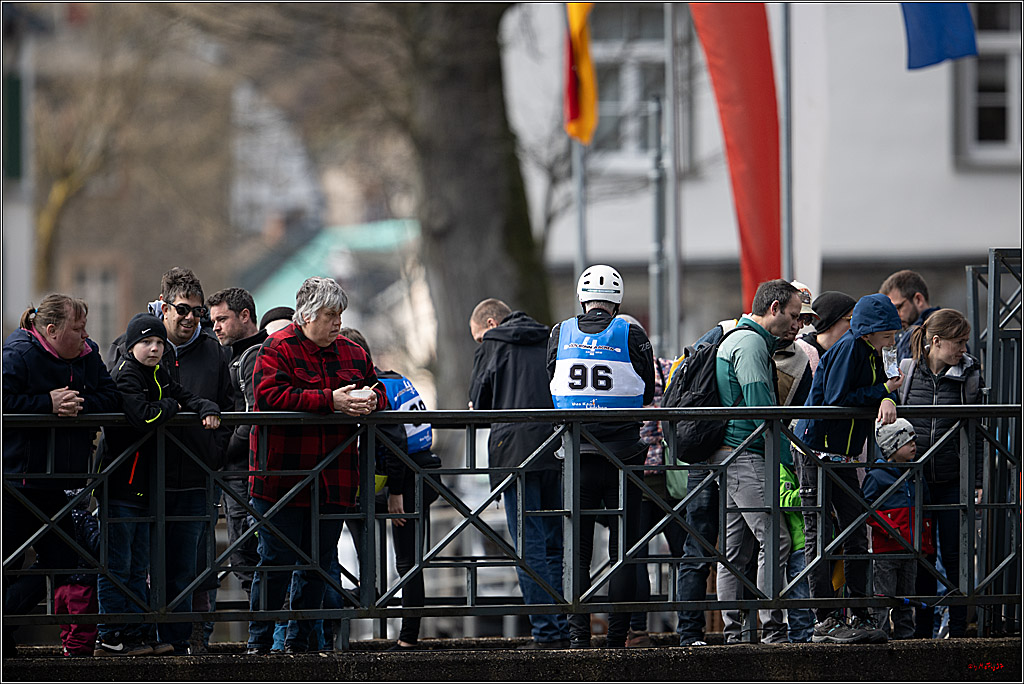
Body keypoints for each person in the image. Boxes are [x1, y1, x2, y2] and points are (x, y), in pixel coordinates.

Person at [246, 276, 388, 655]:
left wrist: (372, 399)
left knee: (319, 565)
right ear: (307, 316)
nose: (338, 323)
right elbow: (268, 397)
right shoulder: (276, 348)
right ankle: (259, 643)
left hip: (334, 479)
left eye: (340, 314)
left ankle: (300, 643)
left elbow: (377, 387)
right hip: (282, 478)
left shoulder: (353, 353)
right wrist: (330, 401)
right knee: (274, 563)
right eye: (330, 315)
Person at [106, 267, 233, 654]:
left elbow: (226, 405)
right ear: (164, 307)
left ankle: (175, 643)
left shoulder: (213, 351)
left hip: (194, 475)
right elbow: (121, 401)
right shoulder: (129, 345)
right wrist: (169, 409)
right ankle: (131, 635)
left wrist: (214, 451)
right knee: (134, 562)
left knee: (187, 568)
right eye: (182, 309)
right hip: (143, 477)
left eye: (197, 311)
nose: (190, 317)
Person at [3, 294, 121, 657]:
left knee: (66, 560)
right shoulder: (18, 353)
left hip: (62, 483)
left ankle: (4, 624)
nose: (86, 335)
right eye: (78, 328)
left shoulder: (87, 353)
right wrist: (46, 405)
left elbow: (111, 397)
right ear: (52, 330)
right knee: (8, 562)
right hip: (16, 481)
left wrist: (75, 404)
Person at [546, 265, 656, 649]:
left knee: (576, 552)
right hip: (625, 455)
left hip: (577, 454)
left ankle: (578, 637)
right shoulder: (632, 333)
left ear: (582, 299)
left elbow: (551, 383)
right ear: (617, 301)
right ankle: (617, 638)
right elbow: (647, 391)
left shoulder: (560, 333)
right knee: (624, 551)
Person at [797, 293, 904, 644]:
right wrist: (882, 390)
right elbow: (838, 399)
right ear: (869, 332)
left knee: (856, 530)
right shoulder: (849, 349)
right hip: (818, 450)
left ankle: (858, 610)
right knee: (819, 533)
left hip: (843, 454)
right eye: (887, 335)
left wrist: (886, 395)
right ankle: (825, 617)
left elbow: (887, 385)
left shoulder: (875, 350)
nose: (892, 340)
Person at [468, 298, 569, 649]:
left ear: (491, 324)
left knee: (528, 546)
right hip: (554, 448)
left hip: (513, 453)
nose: (479, 342)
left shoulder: (492, 345)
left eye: (478, 337)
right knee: (555, 543)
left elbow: (479, 404)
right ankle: (563, 625)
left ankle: (546, 631)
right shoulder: (551, 338)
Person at [704, 279, 800, 644]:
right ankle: (772, 627)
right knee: (775, 540)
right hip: (746, 454)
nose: (797, 324)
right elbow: (764, 412)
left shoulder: (739, 339)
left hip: (730, 454)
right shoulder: (751, 344)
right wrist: (788, 460)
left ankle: (736, 632)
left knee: (736, 550)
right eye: (793, 315)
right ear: (774, 309)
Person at [339, 328, 442, 651]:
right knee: (406, 558)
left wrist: (395, 492)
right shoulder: (396, 379)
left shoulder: (373, 389)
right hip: (424, 470)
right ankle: (369, 588)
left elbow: (395, 441)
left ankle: (404, 634)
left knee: (406, 561)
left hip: (408, 477)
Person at [898, 308, 983, 639]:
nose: (963, 349)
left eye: (965, 342)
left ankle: (958, 630)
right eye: (958, 342)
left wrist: (977, 480)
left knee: (955, 555)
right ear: (936, 341)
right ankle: (923, 631)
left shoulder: (970, 376)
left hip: (952, 479)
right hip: (915, 480)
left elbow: (978, 435)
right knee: (923, 557)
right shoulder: (907, 371)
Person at [618, 314, 680, 649]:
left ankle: (637, 631)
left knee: (634, 556)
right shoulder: (668, 369)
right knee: (685, 555)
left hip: (635, 477)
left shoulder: (617, 374)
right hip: (673, 478)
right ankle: (690, 628)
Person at [207, 287, 267, 598]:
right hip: (241, 470)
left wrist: (222, 451)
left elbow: (254, 415)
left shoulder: (256, 355)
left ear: (245, 316)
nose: (215, 327)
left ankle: (270, 627)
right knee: (247, 561)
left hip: (246, 471)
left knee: (249, 559)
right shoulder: (233, 355)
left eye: (222, 319)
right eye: (213, 321)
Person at [864, 418, 932, 640]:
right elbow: (867, 509)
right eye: (907, 441)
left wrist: (925, 542)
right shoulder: (876, 476)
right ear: (892, 446)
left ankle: (906, 636)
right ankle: (881, 634)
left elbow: (926, 510)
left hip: (910, 548)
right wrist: (889, 527)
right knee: (883, 596)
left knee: (907, 596)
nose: (914, 445)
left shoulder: (916, 473)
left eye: (914, 441)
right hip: (886, 549)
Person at [56, 494, 101, 657]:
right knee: (83, 624)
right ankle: (77, 653)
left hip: (59, 583)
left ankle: (67, 648)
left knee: (66, 624)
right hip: (82, 582)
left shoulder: (55, 519)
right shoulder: (83, 518)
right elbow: (97, 544)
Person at [879, 269, 939, 363]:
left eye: (898, 307)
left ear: (918, 299)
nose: (895, 316)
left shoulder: (940, 329)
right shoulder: (900, 336)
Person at [795, 291, 857, 374]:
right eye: (850, 319)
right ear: (830, 322)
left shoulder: (851, 354)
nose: (855, 325)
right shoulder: (798, 355)